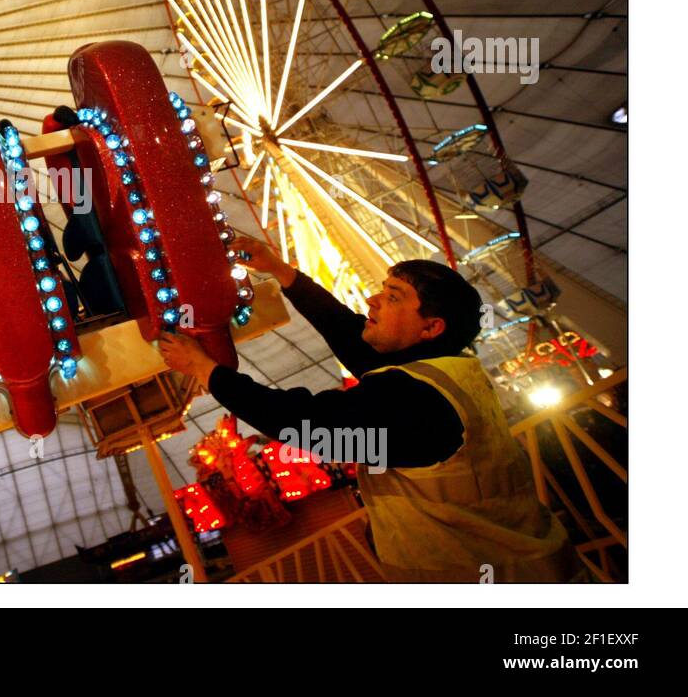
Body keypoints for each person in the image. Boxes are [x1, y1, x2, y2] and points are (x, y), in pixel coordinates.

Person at [159, 236, 583, 582]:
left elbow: (305, 425)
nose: (373, 300)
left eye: (393, 296)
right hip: (530, 561)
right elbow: (352, 336)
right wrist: (282, 272)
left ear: (431, 327)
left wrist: (205, 368)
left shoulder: (418, 398)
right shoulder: (447, 370)